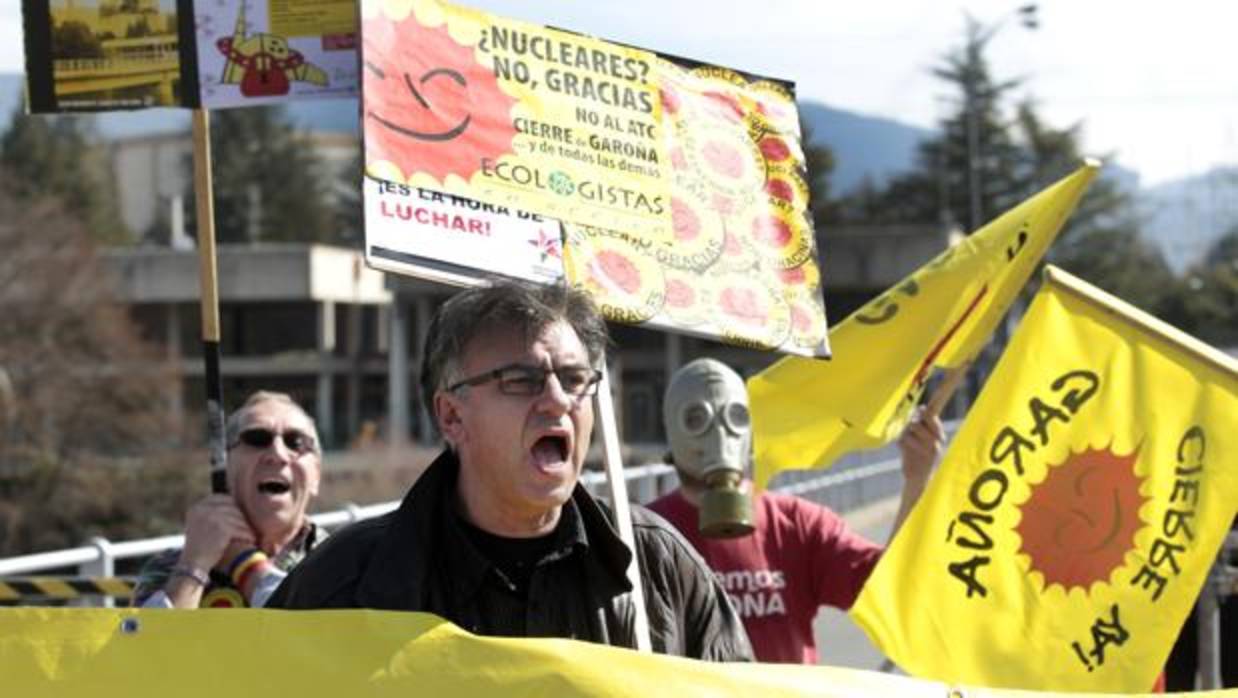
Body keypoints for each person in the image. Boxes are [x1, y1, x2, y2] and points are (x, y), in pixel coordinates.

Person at [269, 281, 752, 661]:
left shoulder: (655, 565)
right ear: (452, 416)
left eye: (574, 379)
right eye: (522, 381)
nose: (558, 401)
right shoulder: (347, 583)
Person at [647, 358, 942, 663]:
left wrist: (917, 480)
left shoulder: (798, 524)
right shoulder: (643, 536)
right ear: (671, 431)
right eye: (696, 419)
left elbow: (888, 588)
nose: (719, 435)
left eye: (734, 417)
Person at [132, 391, 326, 608]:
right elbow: (151, 641)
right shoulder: (169, 568)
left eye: (296, 442)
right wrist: (193, 568)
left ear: (316, 475)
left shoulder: (345, 558)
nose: (278, 454)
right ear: (225, 468)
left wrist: (245, 564)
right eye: (257, 439)